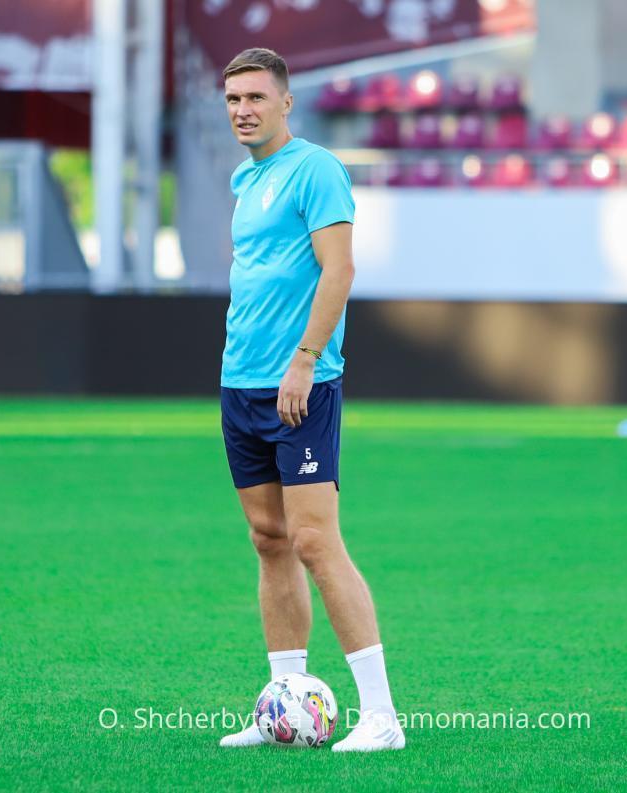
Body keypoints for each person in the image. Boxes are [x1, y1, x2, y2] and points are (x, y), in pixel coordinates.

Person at [215, 47, 404, 752]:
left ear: (286, 102)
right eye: (233, 100)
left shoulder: (316, 169)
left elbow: (339, 269)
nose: (243, 110)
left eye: (256, 97)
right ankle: (285, 702)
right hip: (241, 383)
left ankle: (381, 716)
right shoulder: (246, 178)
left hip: (301, 383)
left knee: (316, 541)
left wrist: (303, 360)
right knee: (268, 541)